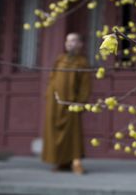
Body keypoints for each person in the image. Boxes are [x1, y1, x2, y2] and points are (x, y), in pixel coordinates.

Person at [42, 32, 92, 174]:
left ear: (80, 44)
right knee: (55, 132)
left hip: (72, 102)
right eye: (68, 41)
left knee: (73, 134)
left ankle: (76, 162)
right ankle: (61, 161)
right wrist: (49, 95)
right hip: (54, 102)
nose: (70, 43)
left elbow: (85, 85)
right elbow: (52, 78)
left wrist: (81, 102)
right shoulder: (60, 59)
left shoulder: (82, 62)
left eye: (74, 40)